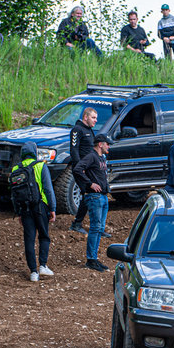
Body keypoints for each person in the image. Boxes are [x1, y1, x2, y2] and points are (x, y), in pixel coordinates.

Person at [12, 142, 56, 282]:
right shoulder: (40, 165)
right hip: (40, 206)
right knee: (44, 236)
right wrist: (52, 208)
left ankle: (33, 272)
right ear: (34, 152)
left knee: (29, 240)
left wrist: (18, 212)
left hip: (25, 209)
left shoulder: (16, 168)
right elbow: (48, 189)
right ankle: (43, 265)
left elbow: (13, 194)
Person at [73, 134, 111, 272]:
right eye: (107, 144)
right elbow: (77, 169)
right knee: (95, 228)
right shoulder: (91, 156)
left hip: (102, 196)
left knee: (99, 228)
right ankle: (91, 260)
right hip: (94, 197)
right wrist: (89, 183)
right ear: (100, 144)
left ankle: (94, 258)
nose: (109, 146)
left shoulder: (101, 158)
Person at [69, 107, 98, 235]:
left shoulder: (90, 130)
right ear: (85, 117)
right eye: (93, 117)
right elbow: (74, 150)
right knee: (88, 193)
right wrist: (80, 168)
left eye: (96, 118)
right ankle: (77, 223)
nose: (95, 120)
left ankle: (97, 226)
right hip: (81, 169)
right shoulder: (77, 130)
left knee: (94, 194)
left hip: (90, 169)